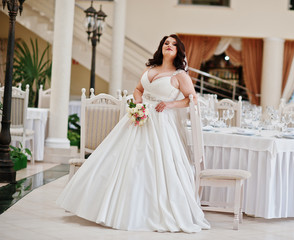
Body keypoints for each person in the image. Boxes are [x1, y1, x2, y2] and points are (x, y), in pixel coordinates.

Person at [57, 34, 210, 233]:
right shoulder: (151, 69)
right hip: (138, 118)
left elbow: (192, 99)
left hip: (161, 124)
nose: (169, 46)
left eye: (173, 44)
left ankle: (142, 212)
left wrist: (171, 104)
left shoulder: (180, 74)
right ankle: (103, 206)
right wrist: (138, 102)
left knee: (149, 163)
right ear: (161, 47)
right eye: (166, 43)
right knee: (116, 158)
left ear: (179, 50)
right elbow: (138, 89)